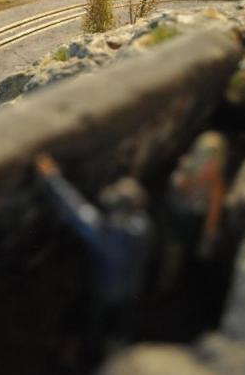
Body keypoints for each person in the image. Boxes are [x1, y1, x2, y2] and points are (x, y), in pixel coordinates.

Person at [34, 154, 152, 366]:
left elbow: (75, 210)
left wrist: (52, 178)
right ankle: (117, 353)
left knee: (94, 325)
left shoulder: (107, 236)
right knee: (121, 328)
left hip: (105, 291)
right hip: (132, 290)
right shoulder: (144, 226)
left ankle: (88, 358)